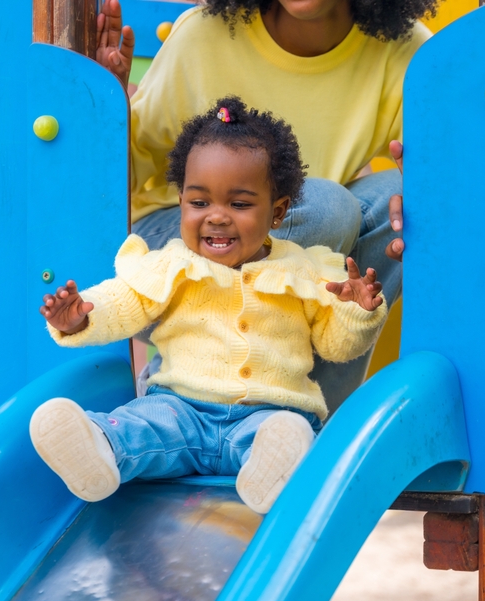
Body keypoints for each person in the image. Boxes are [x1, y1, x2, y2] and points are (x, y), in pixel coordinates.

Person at [29, 98, 387, 514]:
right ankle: (97, 448)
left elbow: (336, 346)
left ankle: (270, 471)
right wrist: (80, 316)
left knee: (284, 431)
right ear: (181, 200)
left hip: (265, 414)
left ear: (278, 211)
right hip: (180, 408)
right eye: (199, 203)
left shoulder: (307, 269)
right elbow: (124, 299)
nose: (216, 217)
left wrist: (356, 311)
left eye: (238, 204)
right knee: (141, 424)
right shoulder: (172, 263)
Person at [94, 0, 429, 413]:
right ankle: (187, 390)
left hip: (290, 248)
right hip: (169, 266)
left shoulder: (403, 50)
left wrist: (426, 189)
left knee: (407, 205)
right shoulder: (205, 35)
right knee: (329, 208)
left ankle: (304, 413)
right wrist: (102, 112)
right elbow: (114, 184)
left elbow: (453, 177)